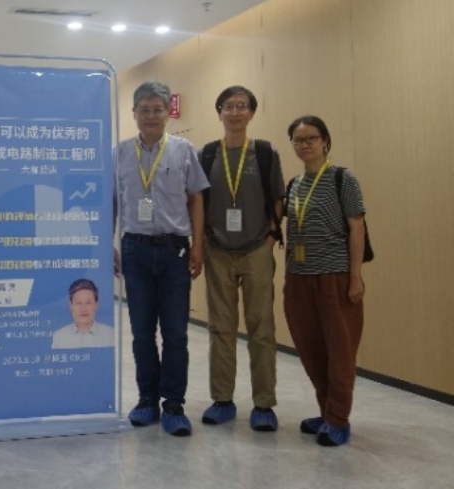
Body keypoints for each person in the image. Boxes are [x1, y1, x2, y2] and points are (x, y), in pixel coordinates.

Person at [114, 81, 209, 437]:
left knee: (176, 334)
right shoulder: (120, 153)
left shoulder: (184, 150)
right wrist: (109, 243)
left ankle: (173, 405)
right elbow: (111, 199)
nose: (151, 116)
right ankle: (146, 400)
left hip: (174, 250)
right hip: (134, 250)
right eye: (144, 109)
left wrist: (198, 245)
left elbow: (196, 198)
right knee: (141, 333)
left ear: (168, 113)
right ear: (134, 113)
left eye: (157, 109)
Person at [198, 86, 285, 431]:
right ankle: (222, 400)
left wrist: (270, 238)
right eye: (228, 106)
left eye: (242, 106)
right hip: (218, 251)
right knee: (221, 328)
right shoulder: (207, 154)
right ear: (219, 112)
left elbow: (277, 198)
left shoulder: (264, 152)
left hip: (256, 251)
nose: (235, 112)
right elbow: (198, 201)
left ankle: (264, 403)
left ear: (251, 113)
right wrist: (202, 241)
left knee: (261, 328)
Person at [283, 115, 366, 447]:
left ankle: (338, 419)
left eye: (311, 138)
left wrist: (355, 277)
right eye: (298, 140)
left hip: (334, 277)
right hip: (298, 279)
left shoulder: (342, 178)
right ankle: (326, 410)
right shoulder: (294, 184)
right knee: (311, 350)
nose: (304, 145)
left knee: (340, 352)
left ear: (325, 142)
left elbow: (357, 228)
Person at [51, 279, 115, 349]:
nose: (83, 309)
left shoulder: (111, 335)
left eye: (88, 303)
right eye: (78, 303)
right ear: (71, 306)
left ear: (96, 305)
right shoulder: (58, 337)